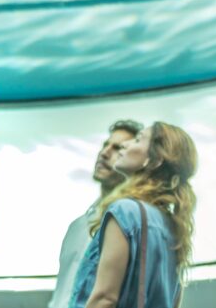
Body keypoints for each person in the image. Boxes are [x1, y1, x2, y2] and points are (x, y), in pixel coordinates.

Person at [70, 122, 197, 308]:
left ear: (154, 160)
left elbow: (104, 298)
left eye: (137, 140)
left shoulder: (125, 212)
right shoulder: (173, 229)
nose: (125, 145)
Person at [50, 120, 143, 308]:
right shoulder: (77, 227)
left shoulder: (135, 224)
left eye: (118, 148)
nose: (105, 153)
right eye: (105, 145)